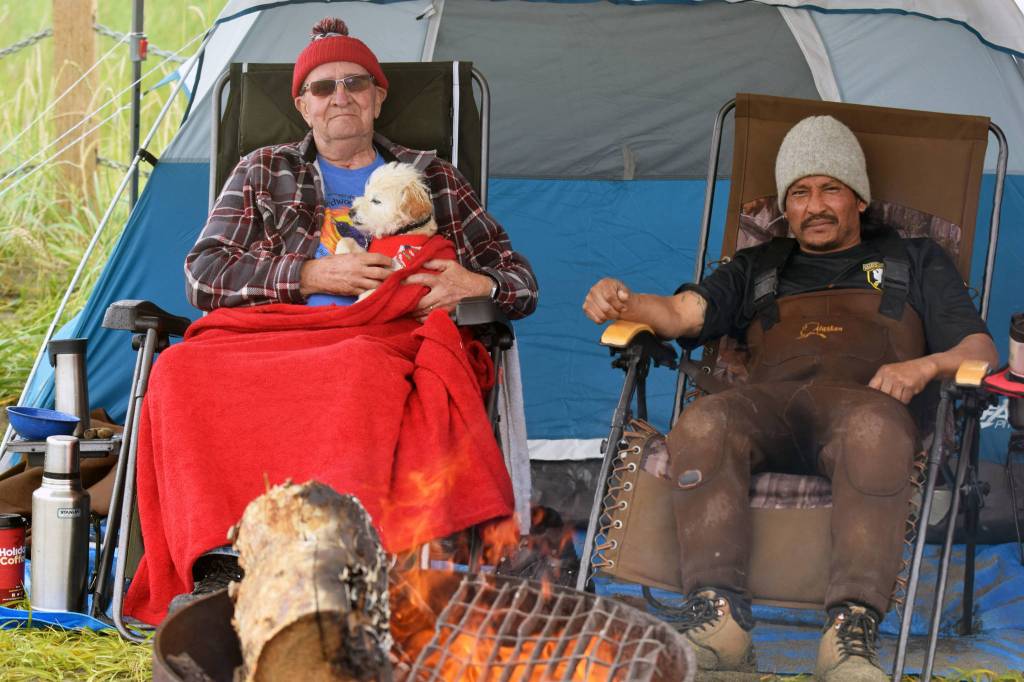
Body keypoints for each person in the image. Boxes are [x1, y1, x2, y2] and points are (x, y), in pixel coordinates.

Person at [582, 115, 997, 681]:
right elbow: (681, 315)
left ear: (859, 199)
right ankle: (720, 622)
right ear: (786, 205)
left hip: (866, 405)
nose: (815, 205)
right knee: (703, 422)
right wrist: (625, 300)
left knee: (875, 430)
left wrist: (924, 366)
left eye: (831, 188)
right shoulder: (759, 265)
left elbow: (979, 347)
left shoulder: (915, 259)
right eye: (799, 193)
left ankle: (849, 637)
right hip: (768, 406)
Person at [185, 17, 537, 319]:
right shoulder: (262, 170)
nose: (341, 97)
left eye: (355, 83)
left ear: (378, 99)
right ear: (304, 108)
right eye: (323, 88)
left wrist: (476, 286)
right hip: (279, 336)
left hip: (391, 343)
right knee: (178, 369)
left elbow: (521, 284)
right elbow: (203, 275)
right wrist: (307, 275)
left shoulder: (433, 176)